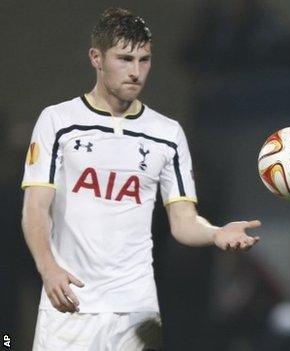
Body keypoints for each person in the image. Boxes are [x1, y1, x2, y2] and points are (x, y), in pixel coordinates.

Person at [21, 7, 261, 350]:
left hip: (136, 313)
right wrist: (48, 269)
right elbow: (35, 209)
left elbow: (182, 222)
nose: (136, 72)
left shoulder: (167, 134)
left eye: (144, 60)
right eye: (124, 59)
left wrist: (216, 233)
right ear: (96, 58)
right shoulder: (58, 123)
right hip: (71, 307)